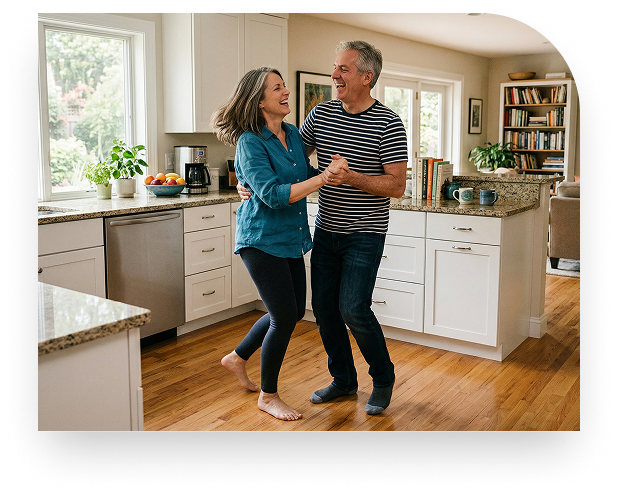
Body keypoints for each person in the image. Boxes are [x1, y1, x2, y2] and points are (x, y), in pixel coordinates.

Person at [239, 41, 408, 415]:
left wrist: (350, 177)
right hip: (326, 229)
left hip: (366, 231)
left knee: (353, 308)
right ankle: (344, 380)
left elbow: (396, 186)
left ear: (367, 77)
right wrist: (248, 181)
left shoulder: (389, 123)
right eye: (335, 67)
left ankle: (382, 379)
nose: (335, 74)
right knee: (324, 310)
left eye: (344, 69)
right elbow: (290, 160)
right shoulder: (320, 116)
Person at [212, 67, 336, 421]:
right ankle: (268, 396)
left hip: (289, 238)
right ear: (259, 100)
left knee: (294, 311)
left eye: (285, 87)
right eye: (277, 88)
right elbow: (273, 195)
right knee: (283, 316)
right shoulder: (250, 142)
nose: (286, 92)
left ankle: (236, 358)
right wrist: (323, 179)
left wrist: (330, 175)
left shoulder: (293, 134)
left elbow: (302, 177)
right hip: (260, 239)